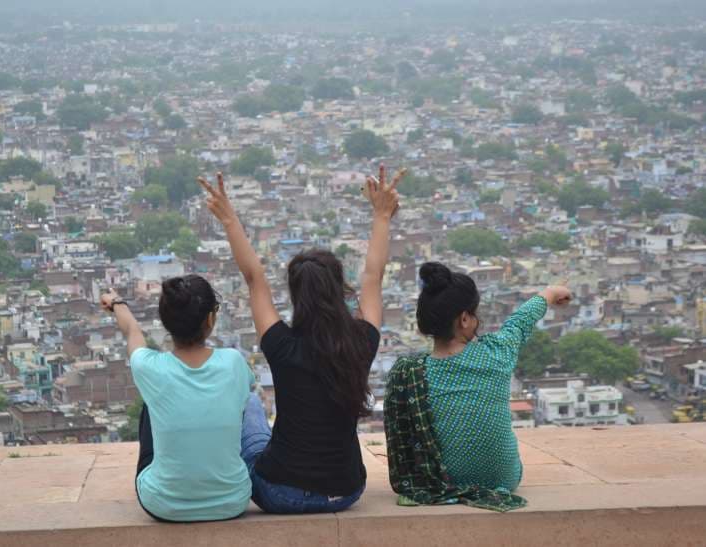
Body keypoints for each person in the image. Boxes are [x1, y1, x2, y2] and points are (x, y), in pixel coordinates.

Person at [197, 165, 403, 514]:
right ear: (340, 290)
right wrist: (382, 214)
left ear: (295, 294)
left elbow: (254, 278)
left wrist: (229, 220)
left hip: (281, 493)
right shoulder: (361, 342)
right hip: (347, 490)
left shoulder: (282, 345)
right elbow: (373, 277)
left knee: (249, 408)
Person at [384, 262, 572, 512]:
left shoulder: (411, 372)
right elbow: (520, 321)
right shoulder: (497, 352)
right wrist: (550, 292)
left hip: (441, 479)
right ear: (464, 319)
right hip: (502, 479)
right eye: (474, 313)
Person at [100, 276, 254, 522]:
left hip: (164, 503)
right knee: (249, 400)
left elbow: (133, 332)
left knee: (154, 404)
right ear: (211, 319)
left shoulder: (151, 368)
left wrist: (118, 303)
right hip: (232, 500)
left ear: (166, 322)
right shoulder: (233, 362)